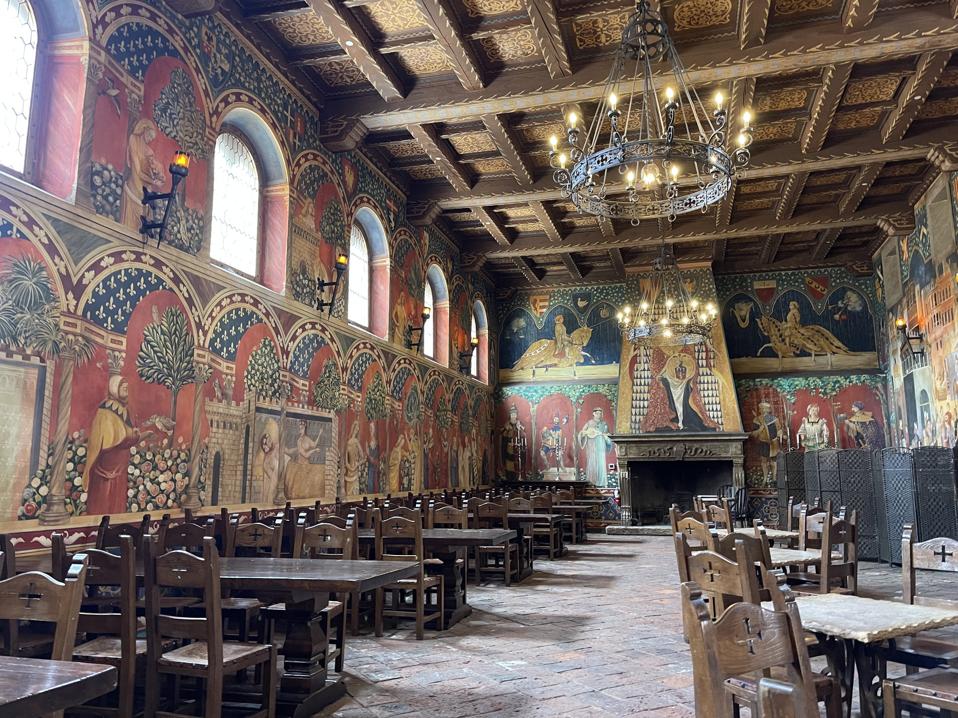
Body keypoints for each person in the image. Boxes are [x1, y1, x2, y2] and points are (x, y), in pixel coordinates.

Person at [84, 376, 151, 515]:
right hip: (106, 468)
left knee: (116, 505)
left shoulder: (124, 410)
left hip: (120, 467)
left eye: (126, 387)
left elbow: (127, 433)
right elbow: (115, 438)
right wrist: (136, 434)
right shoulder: (106, 410)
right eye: (122, 386)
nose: (126, 388)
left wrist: (138, 434)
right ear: (114, 389)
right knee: (104, 504)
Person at [121, 119, 165, 231]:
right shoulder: (133, 140)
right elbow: (138, 171)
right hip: (135, 186)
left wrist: (158, 176)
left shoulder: (149, 151)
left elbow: (152, 169)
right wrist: (153, 181)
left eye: (151, 138)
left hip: (145, 190)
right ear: (144, 130)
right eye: (149, 136)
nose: (150, 140)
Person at [578, 408, 613, 486]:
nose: (599, 415)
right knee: (592, 462)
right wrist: (587, 433)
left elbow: (608, 435)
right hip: (592, 445)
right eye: (597, 413)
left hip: (601, 445)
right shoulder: (589, 423)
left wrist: (606, 436)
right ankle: (591, 482)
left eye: (600, 413)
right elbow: (582, 433)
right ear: (593, 414)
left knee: (601, 463)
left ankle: (601, 482)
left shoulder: (604, 424)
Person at [749, 401, 781, 484]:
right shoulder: (757, 420)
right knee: (764, 461)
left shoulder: (775, 419)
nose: (763, 410)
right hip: (763, 443)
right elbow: (753, 434)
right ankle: (765, 478)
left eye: (765, 408)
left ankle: (774, 478)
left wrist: (780, 434)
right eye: (761, 408)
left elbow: (779, 430)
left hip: (773, 443)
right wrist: (760, 429)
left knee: (774, 461)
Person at [343, 423, 364, 497]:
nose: (357, 430)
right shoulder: (349, 442)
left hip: (353, 471)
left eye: (357, 429)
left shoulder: (356, 442)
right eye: (356, 428)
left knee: (354, 493)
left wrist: (355, 466)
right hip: (350, 471)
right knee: (349, 494)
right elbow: (346, 461)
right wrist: (351, 467)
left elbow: (362, 457)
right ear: (353, 429)